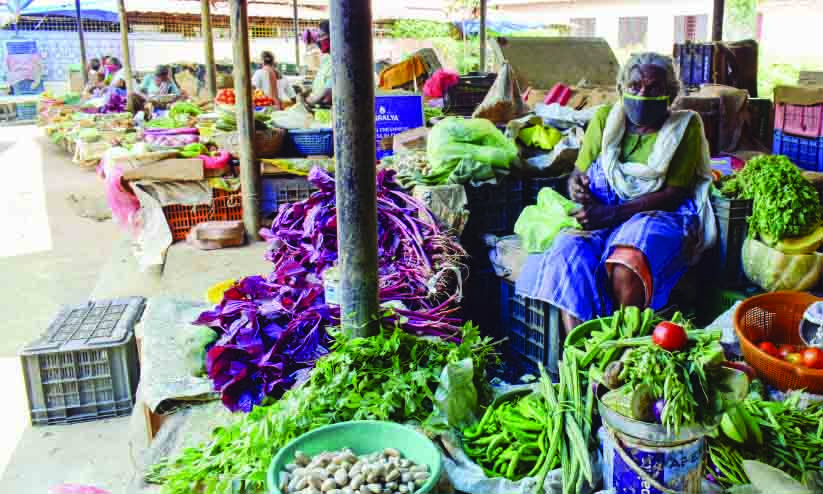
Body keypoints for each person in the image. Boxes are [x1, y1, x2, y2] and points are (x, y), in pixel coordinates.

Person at [516, 52, 716, 336]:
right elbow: (577, 172)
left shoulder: (684, 127)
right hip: (602, 212)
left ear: (670, 95)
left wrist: (613, 214)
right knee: (566, 252)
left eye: (654, 88)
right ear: (622, 89)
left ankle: (622, 344)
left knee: (629, 256)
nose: (642, 94)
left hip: (657, 215)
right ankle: (583, 348)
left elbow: (675, 192)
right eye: (635, 87)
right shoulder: (605, 119)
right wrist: (577, 186)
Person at [306, 20, 332, 107]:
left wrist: (309, 102)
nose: (319, 41)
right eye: (318, 37)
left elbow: (329, 89)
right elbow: (323, 83)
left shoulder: (341, 62)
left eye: (322, 36)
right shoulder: (326, 59)